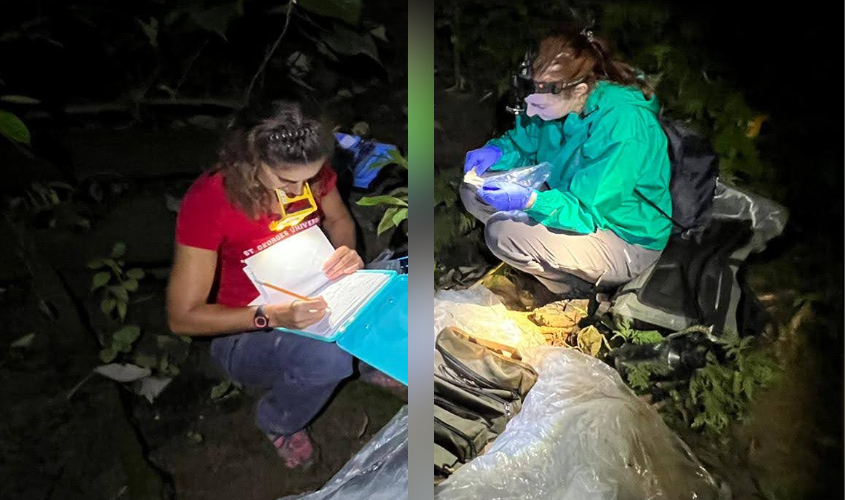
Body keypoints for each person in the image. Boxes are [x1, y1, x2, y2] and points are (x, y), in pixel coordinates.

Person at [166, 100, 364, 469]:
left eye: (311, 178)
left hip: (316, 288)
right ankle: (280, 420)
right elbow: (182, 318)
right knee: (328, 359)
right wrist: (273, 316)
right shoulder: (211, 201)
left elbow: (339, 221)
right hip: (246, 330)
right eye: (287, 181)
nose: (299, 190)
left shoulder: (311, 173)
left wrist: (346, 252)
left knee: (398, 281)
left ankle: (368, 363)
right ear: (250, 159)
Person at [460, 29, 673, 297]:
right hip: (570, 200)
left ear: (580, 90)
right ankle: (543, 255)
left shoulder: (623, 127)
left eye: (541, 106)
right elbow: (523, 141)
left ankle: (572, 291)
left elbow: (586, 210)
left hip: (623, 236)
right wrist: (495, 152)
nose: (532, 110)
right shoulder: (557, 96)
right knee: (473, 191)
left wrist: (530, 202)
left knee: (503, 234)